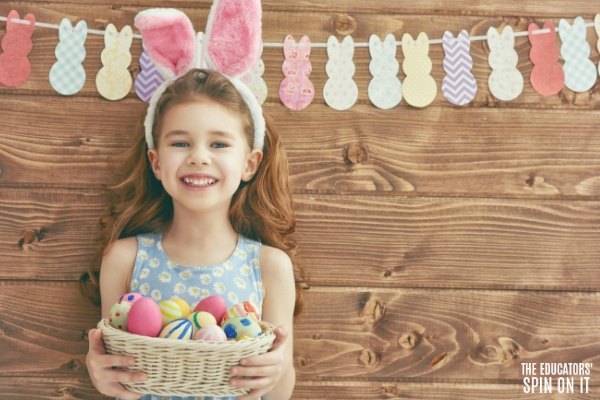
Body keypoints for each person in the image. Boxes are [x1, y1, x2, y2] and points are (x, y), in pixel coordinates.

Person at [80, 68, 306, 400]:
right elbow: (120, 377)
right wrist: (98, 369)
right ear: (156, 163)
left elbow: (277, 395)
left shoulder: (270, 266)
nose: (198, 157)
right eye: (181, 142)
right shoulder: (125, 259)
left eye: (218, 143)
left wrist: (279, 367)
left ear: (250, 163)